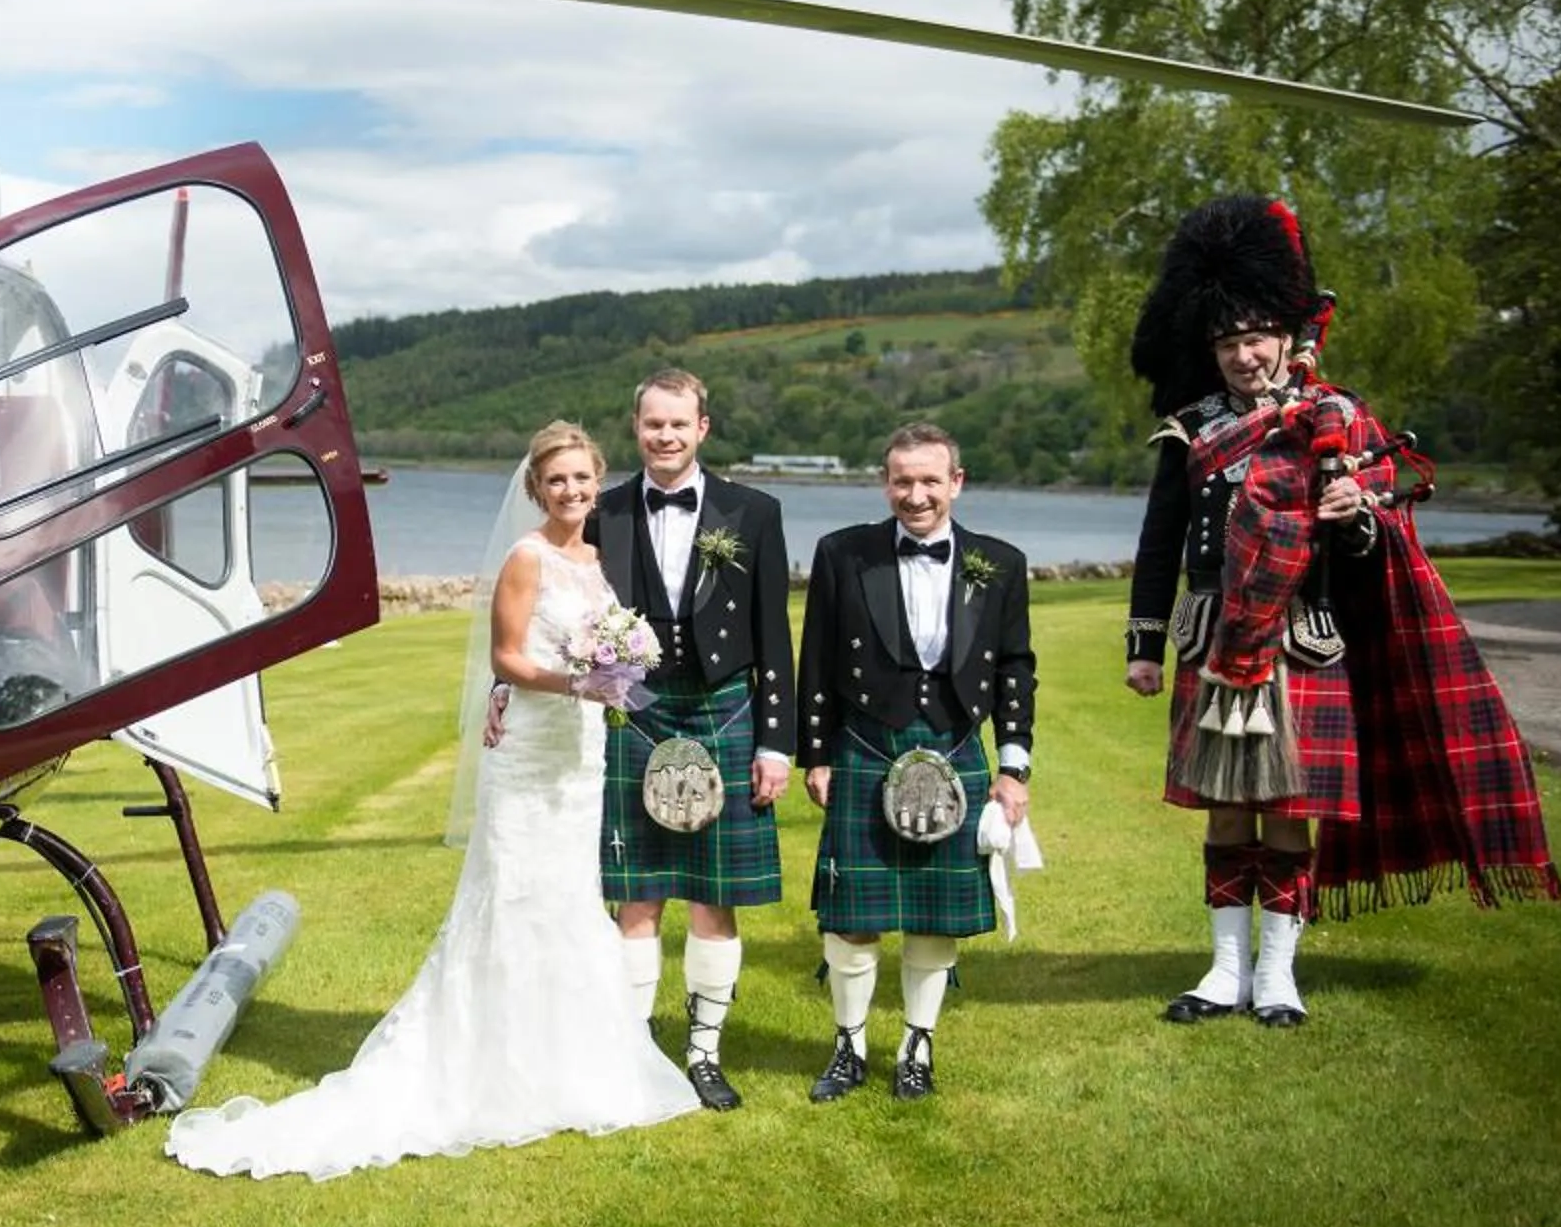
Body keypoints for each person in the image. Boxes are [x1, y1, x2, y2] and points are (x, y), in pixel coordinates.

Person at [166, 421, 699, 1179]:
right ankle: (493, 1065)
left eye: (582, 478)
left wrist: (615, 672)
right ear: (535, 489)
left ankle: (574, 1061)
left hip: (580, 755)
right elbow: (507, 659)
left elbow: (602, 643)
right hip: (531, 748)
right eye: (557, 480)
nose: (572, 491)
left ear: (597, 481)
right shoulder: (527, 559)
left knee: (570, 896)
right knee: (513, 894)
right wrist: (577, 682)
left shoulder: (595, 559)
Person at [1125, 196, 1561, 1029]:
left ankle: (1278, 975)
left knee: (1291, 812)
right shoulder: (1191, 431)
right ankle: (1226, 971)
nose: (1244, 355)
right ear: (1208, 348)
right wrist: (1144, 644)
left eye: (1257, 336)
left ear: (1287, 335)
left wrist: (1356, 515)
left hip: (1302, 638)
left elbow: (1370, 550)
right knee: (1226, 807)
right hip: (1214, 636)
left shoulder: (1335, 420)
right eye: (1227, 341)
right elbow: (1159, 545)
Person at [795, 423, 1035, 1101]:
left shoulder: (1000, 562)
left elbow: (1015, 669)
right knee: (852, 914)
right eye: (902, 481)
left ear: (957, 482)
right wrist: (817, 754)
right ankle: (848, 1046)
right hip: (866, 745)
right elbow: (817, 660)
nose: (916, 495)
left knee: (935, 914)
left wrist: (1013, 767)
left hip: (956, 746)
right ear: (885, 483)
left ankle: (916, 1047)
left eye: (930, 480)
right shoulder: (844, 553)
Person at [585, 370, 793, 1110]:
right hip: (633, 712)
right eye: (653, 425)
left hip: (724, 711)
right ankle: (632, 1053)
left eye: (678, 424)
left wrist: (776, 744)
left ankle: (704, 1052)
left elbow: (774, 633)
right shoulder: (602, 512)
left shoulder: (754, 512)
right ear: (635, 428)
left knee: (714, 898)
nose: (665, 436)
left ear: (702, 428)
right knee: (635, 897)